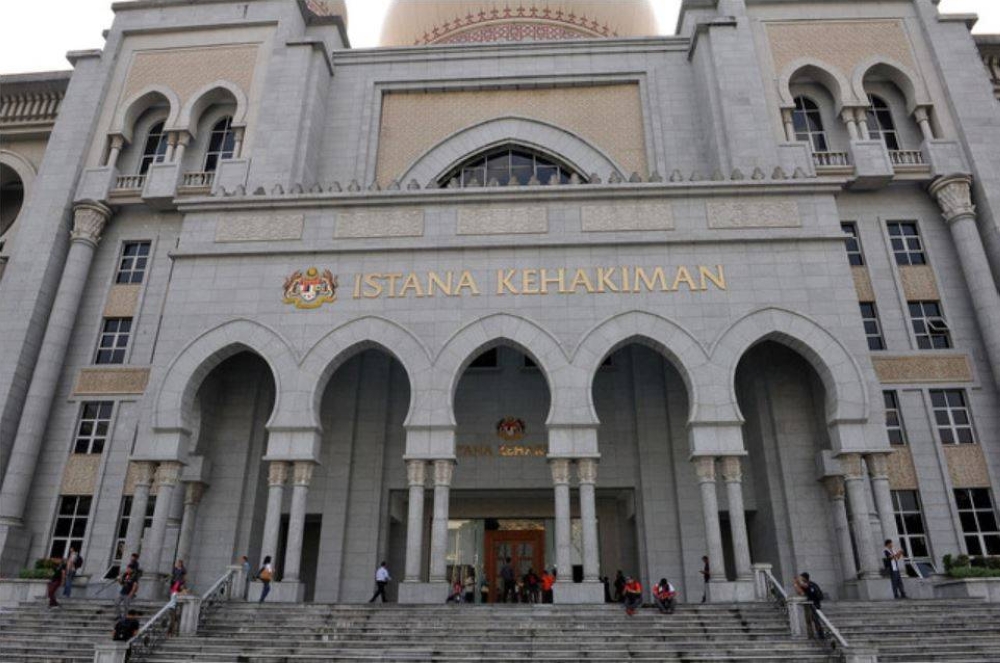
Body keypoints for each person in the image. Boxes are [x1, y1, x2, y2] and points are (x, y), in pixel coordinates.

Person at [793, 572, 826, 640]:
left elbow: (801, 591)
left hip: (813, 605)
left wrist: (796, 583)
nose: (800, 579)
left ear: (804, 578)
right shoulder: (811, 584)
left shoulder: (809, 584)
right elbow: (801, 592)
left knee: (815, 620)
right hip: (813, 604)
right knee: (811, 620)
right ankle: (814, 635)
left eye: (801, 577)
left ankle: (821, 635)